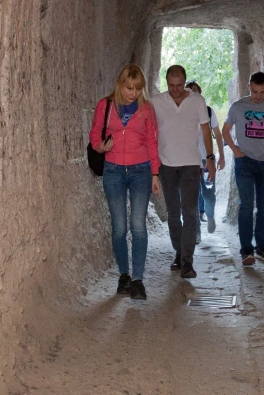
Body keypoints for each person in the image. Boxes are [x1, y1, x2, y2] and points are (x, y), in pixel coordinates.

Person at [89, 64, 161, 300]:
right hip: (113, 170)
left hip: (141, 170)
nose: (133, 93)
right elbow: (95, 133)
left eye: (138, 89)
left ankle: (138, 279)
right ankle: (124, 275)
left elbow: (152, 141)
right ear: (121, 85)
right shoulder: (105, 105)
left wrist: (155, 174)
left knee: (138, 225)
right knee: (119, 227)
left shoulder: (147, 109)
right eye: (130, 88)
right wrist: (100, 146)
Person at [151, 65, 216, 279]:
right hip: (166, 165)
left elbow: (206, 131)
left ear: (185, 82)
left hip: (190, 164)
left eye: (179, 85)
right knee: (173, 213)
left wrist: (210, 158)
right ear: (166, 82)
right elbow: (149, 133)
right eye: (171, 85)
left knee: (189, 213)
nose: (176, 90)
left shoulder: (197, 101)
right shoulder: (156, 102)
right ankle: (179, 252)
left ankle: (188, 260)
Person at [222, 71, 264, 266]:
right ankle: (246, 251)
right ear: (249, 87)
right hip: (245, 162)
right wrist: (235, 151)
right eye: (255, 91)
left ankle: (262, 249)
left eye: (263, 92)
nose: (258, 96)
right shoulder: (238, 107)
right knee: (246, 206)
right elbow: (225, 131)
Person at [185, 81, 225, 240]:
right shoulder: (183, 113)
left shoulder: (209, 111)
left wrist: (221, 155)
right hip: (190, 160)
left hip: (207, 159)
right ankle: (196, 232)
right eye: (190, 91)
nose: (194, 94)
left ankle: (209, 215)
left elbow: (218, 133)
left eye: (196, 91)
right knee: (192, 196)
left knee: (208, 194)